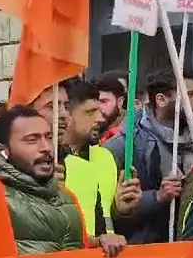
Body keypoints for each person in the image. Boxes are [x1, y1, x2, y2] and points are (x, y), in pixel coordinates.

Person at [0, 103, 127, 258]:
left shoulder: (65, 195)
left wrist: (100, 242)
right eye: (32, 140)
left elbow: (67, 247)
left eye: (48, 137)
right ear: (3, 150)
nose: (45, 147)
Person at [104, 71, 193, 243]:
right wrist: (157, 197)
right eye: (189, 94)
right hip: (148, 255)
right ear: (161, 100)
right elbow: (111, 214)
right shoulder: (123, 147)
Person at [58, 81, 141, 238]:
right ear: (66, 114)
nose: (100, 119)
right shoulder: (52, 162)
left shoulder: (106, 156)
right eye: (90, 112)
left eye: (99, 111)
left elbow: (113, 223)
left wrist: (122, 210)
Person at [94, 72, 128, 142]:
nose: (98, 107)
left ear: (120, 102)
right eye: (94, 102)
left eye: (103, 101)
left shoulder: (133, 133)